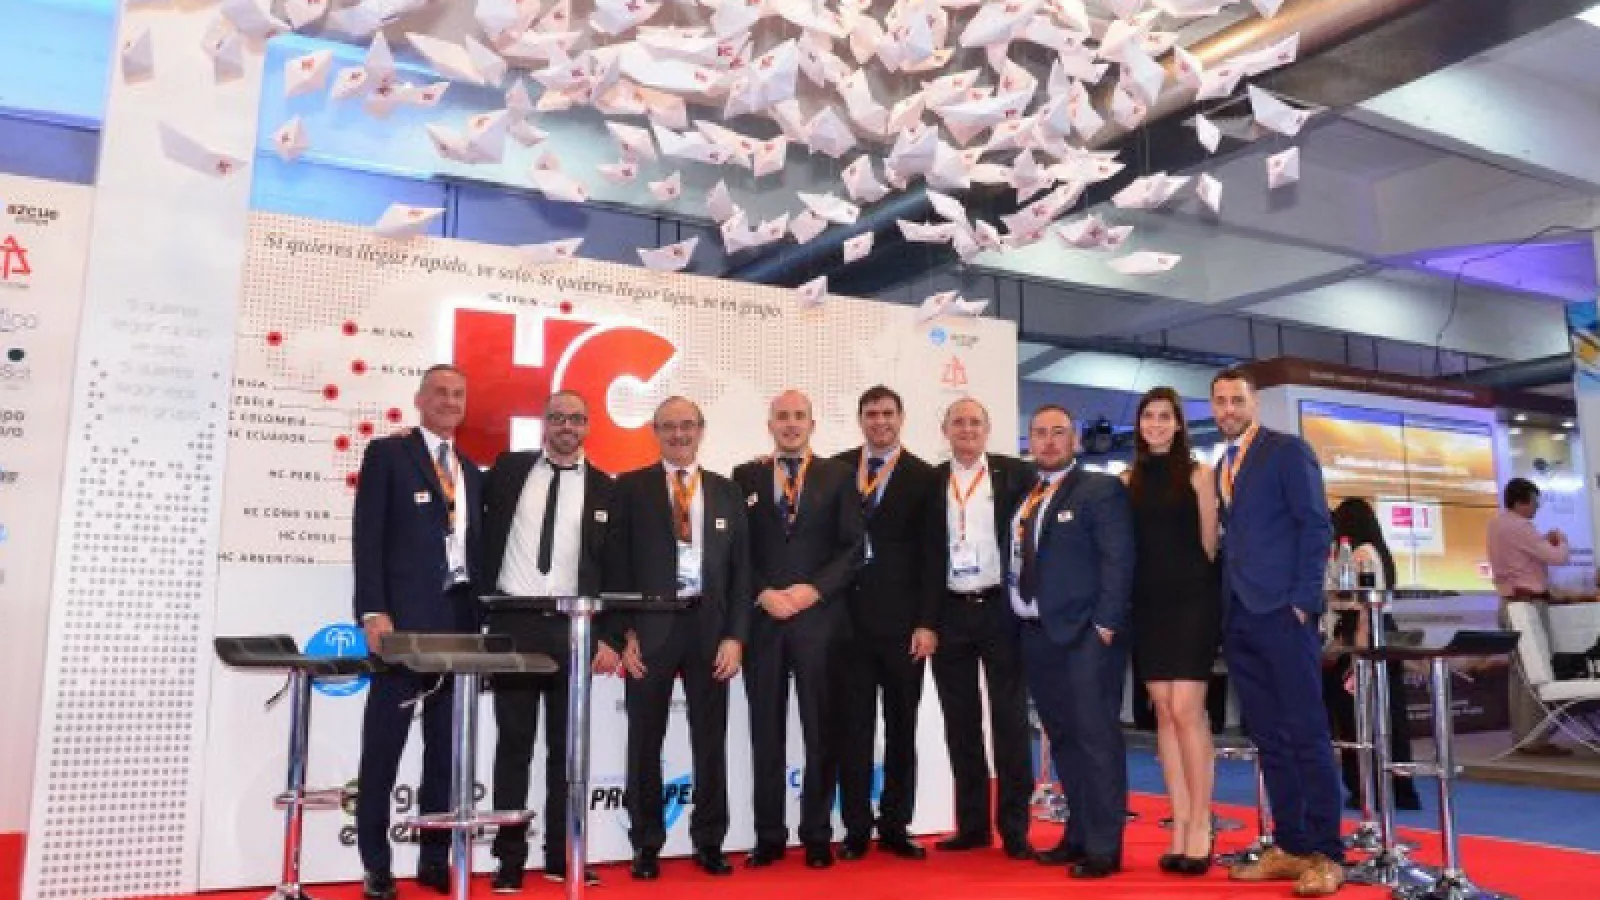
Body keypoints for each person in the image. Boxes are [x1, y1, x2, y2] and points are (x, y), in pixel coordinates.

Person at [604, 397, 752, 880]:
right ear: (655, 431)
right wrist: (624, 633)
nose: (678, 434)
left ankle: (709, 841)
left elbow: (743, 573)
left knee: (711, 740)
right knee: (644, 741)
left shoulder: (727, 491)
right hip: (649, 630)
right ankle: (646, 843)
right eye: (668, 426)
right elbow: (615, 566)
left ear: (701, 430)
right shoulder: (630, 488)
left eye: (687, 425)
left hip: (710, 631)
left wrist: (736, 636)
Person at [352, 365, 484, 900]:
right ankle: (375, 865)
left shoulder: (471, 470)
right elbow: (367, 536)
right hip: (402, 625)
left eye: (459, 394)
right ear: (420, 399)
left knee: (444, 752)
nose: (451, 402)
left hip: (459, 624)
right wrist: (373, 611)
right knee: (383, 748)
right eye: (441, 393)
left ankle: (433, 859)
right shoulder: (389, 454)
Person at [1211, 367, 1344, 896]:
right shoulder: (1223, 464)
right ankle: (1291, 846)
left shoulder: (1286, 451)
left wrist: (1304, 601)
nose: (1228, 409)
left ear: (1254, 403)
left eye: (1236, 400)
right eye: (1220, 401)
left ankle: (1328, 853)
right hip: (1240, 616)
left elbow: (1315, 524)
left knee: (1306, 733)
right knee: (1268, 737)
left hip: (1284, 614)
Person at [479, 391, 618, 892]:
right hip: (513, 622)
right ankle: (509, 859)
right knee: (513, 745)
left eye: (576, 419)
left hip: (571, 627)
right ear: (545, 423)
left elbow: (612, 568)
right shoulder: (507, 470)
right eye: (558, 417)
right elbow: (458, 490)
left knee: (567, 750)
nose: (566, 426)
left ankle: (562, 855)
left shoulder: (605, 488)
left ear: (587, 426)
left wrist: (607, 635)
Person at [734, 390, 864, 870]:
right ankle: (768, 836)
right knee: (765, 733)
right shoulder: (745, 476)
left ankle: (816, 834)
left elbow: (853, 548)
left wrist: (814, 590)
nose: (790, 424)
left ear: (812, 424)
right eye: (782, 416)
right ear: (770, 424)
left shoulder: (839, 475)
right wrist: (762, 592)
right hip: (764, 620)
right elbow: (736, 551)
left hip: (820, 621)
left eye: (799, 416)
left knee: (820, 732)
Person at [1010, 405, 1134, 880]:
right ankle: (1078, 835)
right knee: (1062, 740)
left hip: (1086, 636)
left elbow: (1119, 559)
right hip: (1037, 635)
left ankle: (1104, 847)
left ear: (1075, 440)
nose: (1048, 441)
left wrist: (1105, 624)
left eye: (1058, 432)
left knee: (1096, 740)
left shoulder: (1100, 489)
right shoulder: (1027, 495)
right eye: (1039, 433)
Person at [833, 385, 940, 862]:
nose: (880, 421)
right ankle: (856, 828)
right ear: (861, 419)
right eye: (872, 414)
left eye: (887, 414)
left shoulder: (925, 476)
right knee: (853, 730)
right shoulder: (836, 469)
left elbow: (933, 555)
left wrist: (927, 622)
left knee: (901, 728)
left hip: (903, 628)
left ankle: (896, 825)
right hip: (847, 624)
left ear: (901, 418)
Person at [927, 397, 1035, 860]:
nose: (967, 429)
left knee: (1010, 722)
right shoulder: (930, 481)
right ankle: (972, 826)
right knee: (961, 723)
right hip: (949, 612)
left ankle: (1015, 828)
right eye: (959, 422)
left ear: (987, 429)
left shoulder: (1016, 475)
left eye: (975, 422)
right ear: (945, 430)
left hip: (999, 610)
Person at [1119, 387, 1222, 875]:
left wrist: (1197, 595)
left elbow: (1209, 545)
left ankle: (1202, 824)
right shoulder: (1126, 481)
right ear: (1139, 424)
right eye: (1148, 416)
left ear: (1179, 424)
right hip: (1148, 604)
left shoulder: (1200, 474)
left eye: (1165, 416)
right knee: (1162, 711)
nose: (1156, 424)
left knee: (1187, 710)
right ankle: (1179, 823)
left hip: (1191, 600)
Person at [1324, 498, 1422, 810]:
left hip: (1362, 636)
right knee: (1387, 715)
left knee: (1359, 717)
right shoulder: (1378, 552)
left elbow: (1366, 607)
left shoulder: (1360, 554)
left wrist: (1354, 652)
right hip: (1379, 635)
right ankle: (1396, 787)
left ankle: (1369, 787)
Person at [1487, 477, 1572, 757]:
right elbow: (1557, 558)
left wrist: (1541, 542)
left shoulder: (1495, 524)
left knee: (1520, 673)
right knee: (1536, 671)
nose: (1537, 507)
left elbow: (1523, 554)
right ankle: (1534, 738)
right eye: (1535, 502)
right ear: (1521, 502)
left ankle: (1523, 735)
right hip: (1527, 606)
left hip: (1509, 603)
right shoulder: (1521, 526)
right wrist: (1562, 541)